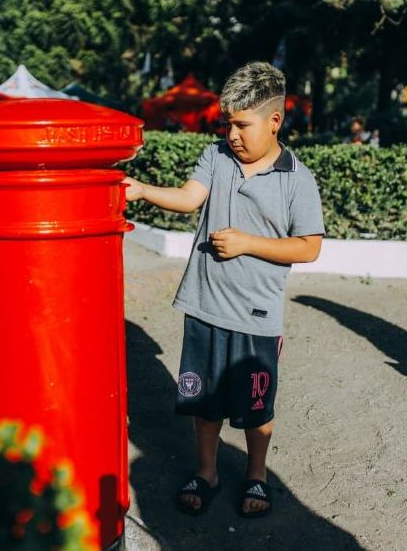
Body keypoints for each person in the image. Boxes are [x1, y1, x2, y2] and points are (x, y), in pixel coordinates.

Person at [124, 62, 325, 518]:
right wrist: (141, 189)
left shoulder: (299, 178)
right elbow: (189, 197)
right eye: (227, 123)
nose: (232, 134)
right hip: (205, 306)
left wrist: (247, 243)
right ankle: (208, 472)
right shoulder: (216, 157)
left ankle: (257, 474)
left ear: (275, 121)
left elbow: (309, 248)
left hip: (256, 317)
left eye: (242, 124)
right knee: (205, 402)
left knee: (257, 406)